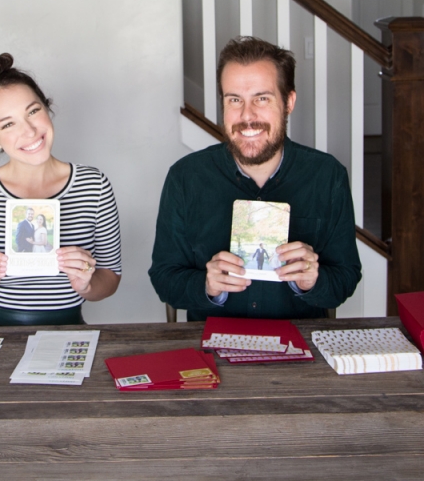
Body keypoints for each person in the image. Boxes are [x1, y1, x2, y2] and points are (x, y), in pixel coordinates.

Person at [149, 36, 362, 321]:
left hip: (300, 349)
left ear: (288, 102)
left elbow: (346, 278)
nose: (247, 116)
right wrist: (206, 286)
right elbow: (164, 278)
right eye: (234, 99)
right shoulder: (185, 178)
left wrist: (314, 281)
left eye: (262, 99)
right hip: (212, 350)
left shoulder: (327, 176)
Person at [0, 53, 122, 326]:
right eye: (8, 124)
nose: (29, 131)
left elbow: (110, 276)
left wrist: (86, 284)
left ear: (47, 109)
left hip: (66, 328)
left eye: (33, 111)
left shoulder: (94, 185)